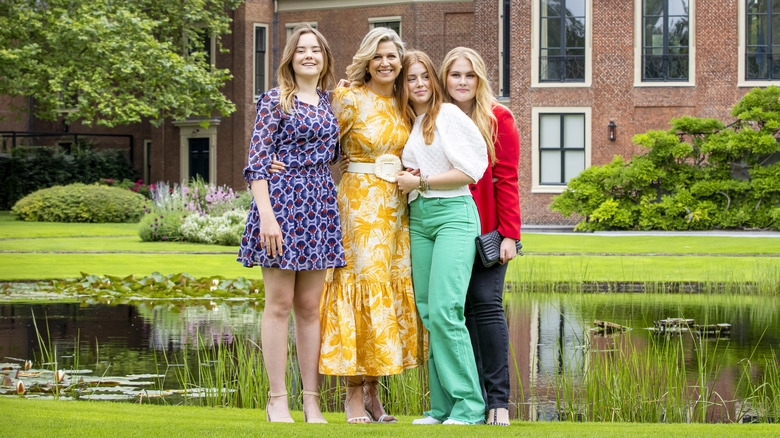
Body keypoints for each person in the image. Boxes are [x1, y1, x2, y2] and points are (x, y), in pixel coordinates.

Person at [236, 24, 345, 424]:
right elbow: (257, 163)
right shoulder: (273, 101)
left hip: (318, 204)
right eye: (302, 50)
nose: (309, 55)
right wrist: (266, 215)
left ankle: (312, 401)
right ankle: (277, 399)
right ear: (290, 58)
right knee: (279, 305)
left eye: (316, 49)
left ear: (325, 58)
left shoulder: (334, 102)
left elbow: (336, 154)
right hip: (280, 205)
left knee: (310, 307)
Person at [319, 27, 426, 424]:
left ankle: (374, 396)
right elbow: (322, 147)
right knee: (359, 290)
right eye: (378, 56)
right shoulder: (349, 97)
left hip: (396, 210)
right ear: (368, 59)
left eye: (392, 57)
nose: (385, 63)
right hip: (359, 207)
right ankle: (351, 396)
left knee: (387, 295)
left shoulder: (405, 103)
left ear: (401, 63)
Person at [395, 50, 488, 425]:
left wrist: (420, 181)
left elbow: (470, 170)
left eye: (423, 77)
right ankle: (442, 408)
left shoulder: (447, 115)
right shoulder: (413, 122)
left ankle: (470, 406)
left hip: (454, 215)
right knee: (430, 312)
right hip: (420, 218)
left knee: (448, 310)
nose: (418, 84)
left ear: (434, 81)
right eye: (410, 79)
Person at [440, 47, 522, 426]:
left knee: (486, 306)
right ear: (445, 79)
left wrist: (509, 235)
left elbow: (506, 179)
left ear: (480, 79)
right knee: (455, 314)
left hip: (487, 232)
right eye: (455, 75)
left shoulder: (498, 118)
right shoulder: (434, 119)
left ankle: (499, 403)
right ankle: (471, 402)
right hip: (447, 230)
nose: (461, 82)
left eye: (468, 75)